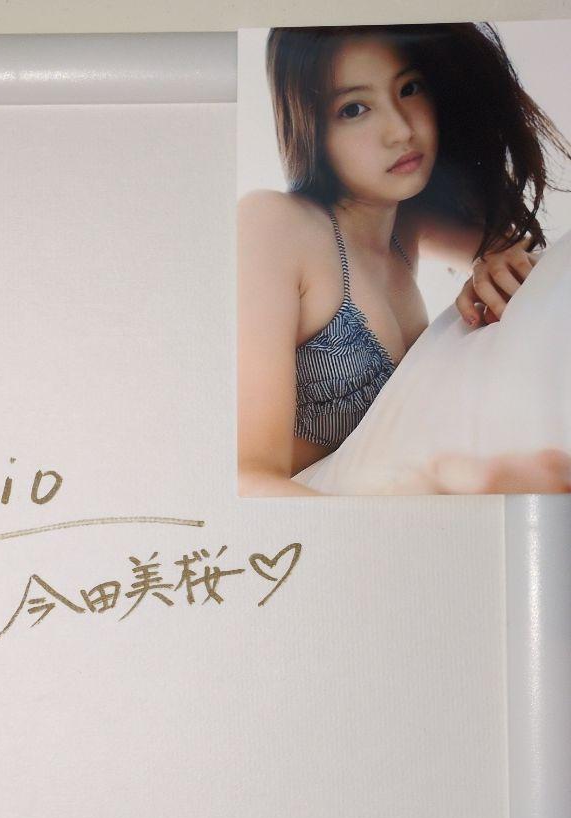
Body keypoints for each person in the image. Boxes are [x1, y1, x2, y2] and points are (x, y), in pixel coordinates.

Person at [237, 23, 571, 496]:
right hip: (312, 509)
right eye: (354, 109)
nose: (401, 131)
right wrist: (409, 518)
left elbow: (514, 247)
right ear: (308, 125)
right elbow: (249, 476)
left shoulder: (405, 219)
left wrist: (492, 262)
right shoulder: (274, 223)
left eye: (409, 89)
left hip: (403, 486)